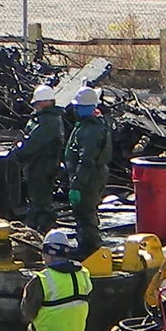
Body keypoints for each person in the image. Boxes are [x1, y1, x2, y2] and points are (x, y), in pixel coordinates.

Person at [19, 229, 95, 331]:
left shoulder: (43, 279)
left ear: (48, 254)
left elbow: (27, 312)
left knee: (32, 328)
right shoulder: (84, 274)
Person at [62, 88, 112, 256]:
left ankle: (90, 250)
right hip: (94, 175)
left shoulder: (90, 131)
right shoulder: (94, 124)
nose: (75, 110)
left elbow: (86, 161)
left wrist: (77, 185)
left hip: (89, 178)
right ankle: (88, 245)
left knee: (85, 212)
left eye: (78, 107)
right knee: (86, 211)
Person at [12, 83, 65, 233]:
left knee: (42, 202)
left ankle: (45, 231)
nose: (35, 106)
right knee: (36, 200)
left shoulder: (49, 122)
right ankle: (35, 228)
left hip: (43, 167)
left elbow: (33, 144)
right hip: (36, 165)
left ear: (44, 102)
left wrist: (18, 152)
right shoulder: (41, 119)